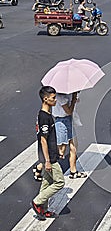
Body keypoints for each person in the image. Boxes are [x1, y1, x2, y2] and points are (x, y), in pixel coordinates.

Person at [31, 86, 65, 220]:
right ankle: (37, 202)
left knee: (46, 182)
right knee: (59, 182)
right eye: (53, 98)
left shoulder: (45, 115)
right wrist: (47, 161)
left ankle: (43, 210)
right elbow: (43, 140)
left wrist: (57, 151)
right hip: (48, 157)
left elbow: (50, 138)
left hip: (50, 154)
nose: (55, 100)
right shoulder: (44, 117)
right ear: (45, 99)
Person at [52, 92, 87, 179]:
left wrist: (74, 98)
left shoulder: (66, 95)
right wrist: (73, 100)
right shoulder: (59, 97)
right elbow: (68, 111)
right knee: (61, 151)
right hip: (61, 123)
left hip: (68, 121)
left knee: (74, 146)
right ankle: (41, 167)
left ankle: (73, 171)